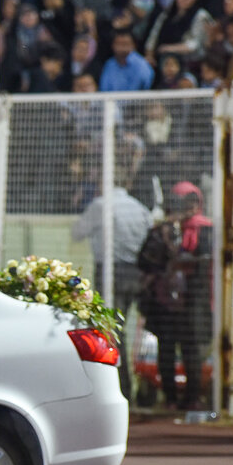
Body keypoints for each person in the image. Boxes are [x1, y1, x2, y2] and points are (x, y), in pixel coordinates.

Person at [71, 168, 153, 399]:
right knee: (134, 329)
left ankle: (120, 389)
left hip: (111, 272)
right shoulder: (140, 208)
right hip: (138, 272)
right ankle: (140, 390)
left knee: (111, 332)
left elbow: (77, 232)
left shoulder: (100, 205)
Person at [137, 181, 213, 411]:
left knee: (191, 349)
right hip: (166, 302)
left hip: (192, 300)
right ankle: (169, 397)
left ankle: (192, 397)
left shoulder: (204, 229)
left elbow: (205, 262)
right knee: (167, 348)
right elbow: (146, 260)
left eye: (191, 203)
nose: (187, 209)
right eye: (182, 204)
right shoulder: (165, 231)